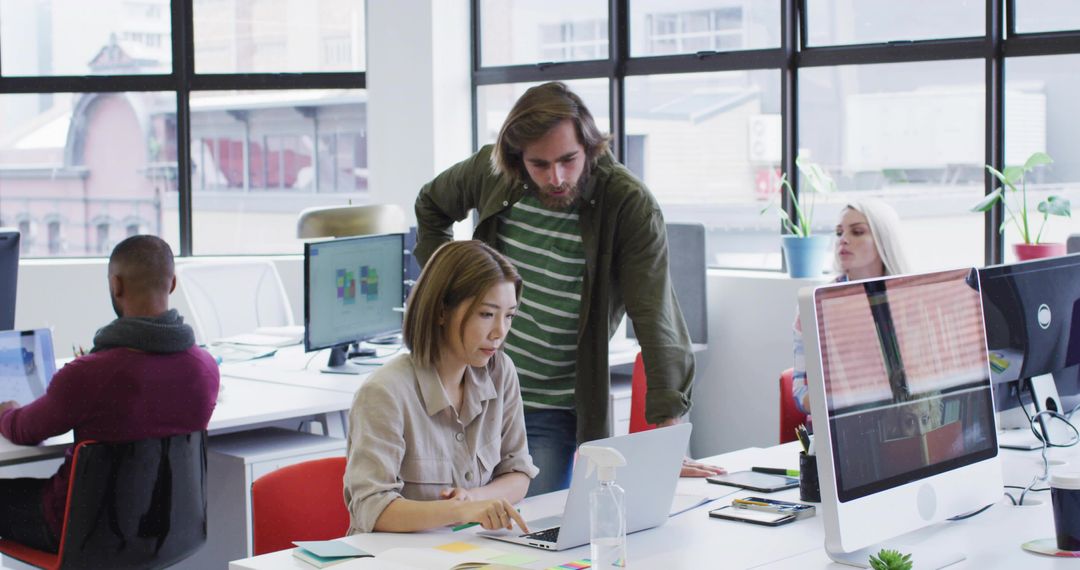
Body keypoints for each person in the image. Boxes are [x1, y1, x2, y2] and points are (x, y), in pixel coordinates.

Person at [414, 81, 721, 495]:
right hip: (470, 387)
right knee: (445, 519)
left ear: (590, 146)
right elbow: (431, 206)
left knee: (531, 527)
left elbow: (654, 313)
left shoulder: (627, 203)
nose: (555, 178)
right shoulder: (494, 172)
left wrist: (669, 432)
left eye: (568, 160)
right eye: (539, 164)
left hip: (550, 404)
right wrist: (451, 291)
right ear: (516, 157)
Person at [0, 235, 219, 553]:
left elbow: (26, 430)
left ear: (116, 285)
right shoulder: (205, 368)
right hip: (167, 530)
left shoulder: (90, 374)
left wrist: (6, 410)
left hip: (79, 529)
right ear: (172, 284)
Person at [344, 240, 538, 534]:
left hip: (468, 551)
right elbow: (374, 509)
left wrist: (475, 498)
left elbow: (518, 472)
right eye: (486, 314)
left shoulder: (501, 372)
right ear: (440, 311)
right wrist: (460, 510)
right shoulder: (385, 392)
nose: (500, 332)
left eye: (508, 315)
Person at [792, 199, 913, 417]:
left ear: (883, 240)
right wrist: (842, 399)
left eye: (857, 232)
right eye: (839, 233)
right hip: (842, 428)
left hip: (906, 422)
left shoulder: (910, 300)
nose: (843, 240)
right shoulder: (815, 303)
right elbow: (800, 393)